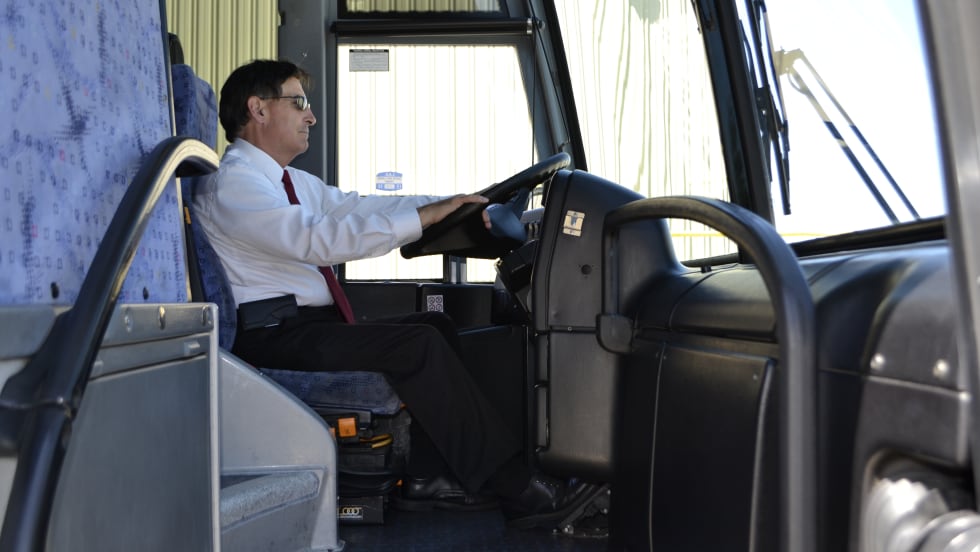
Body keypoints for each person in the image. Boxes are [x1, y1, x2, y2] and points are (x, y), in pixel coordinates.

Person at [193, 59, 586, 527]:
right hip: (270, 334)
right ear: (258, 109)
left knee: (435, 325)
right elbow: (317, 239)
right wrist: (424, 218)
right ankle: (518, 487)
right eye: (298, 102)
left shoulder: (290, 182)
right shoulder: (234, 184)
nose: (310, 116)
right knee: (417, 345)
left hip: (305, 327)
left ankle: (428, 476)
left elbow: (358, 208)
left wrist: (450, 204)